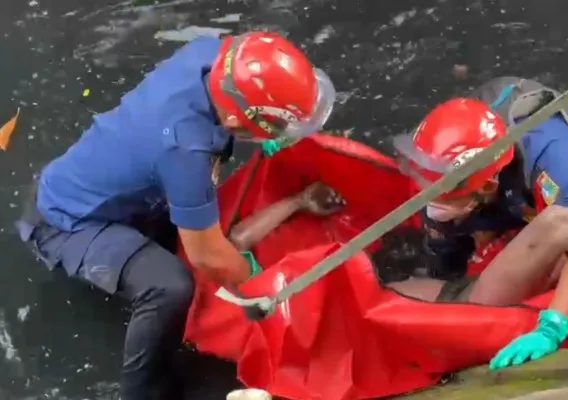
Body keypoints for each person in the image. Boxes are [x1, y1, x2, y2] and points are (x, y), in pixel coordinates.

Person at [14, 31, 337, 400]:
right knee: (170, 286)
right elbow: (209, 254)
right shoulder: (185, 149)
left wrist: (268, 136)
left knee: (185, 231)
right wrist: (262, 286)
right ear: (235, 120)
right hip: (65, 222)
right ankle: (143, 390)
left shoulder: (215, 54)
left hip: (117, 185)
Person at [390, 76, 568, 371]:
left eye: (445, 196)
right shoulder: (442, 166)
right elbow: (443, 245)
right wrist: (445, 250)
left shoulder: (549, 154)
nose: (430, 199)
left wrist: (554, 326)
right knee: (452, 228)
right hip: (506, 189)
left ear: (487, 186)